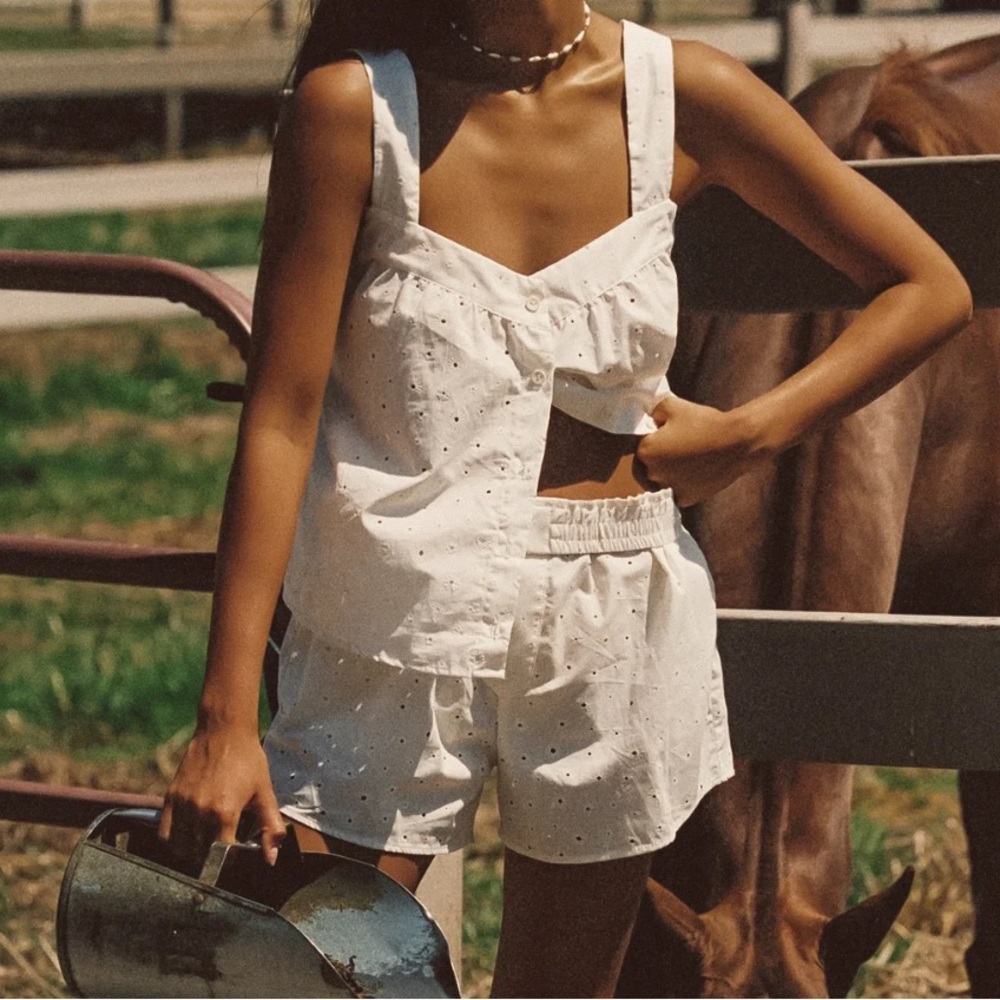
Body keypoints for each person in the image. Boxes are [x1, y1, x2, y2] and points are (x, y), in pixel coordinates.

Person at [159, 1, 971, 995]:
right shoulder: (354, 108)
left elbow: (927, 285)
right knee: (310, 977)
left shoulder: (683, 93)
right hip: (391, 618)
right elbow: (281, 416)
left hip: (614, 617)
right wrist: (224, 719)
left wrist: (749, 433)